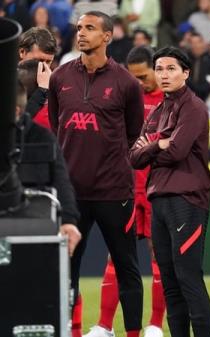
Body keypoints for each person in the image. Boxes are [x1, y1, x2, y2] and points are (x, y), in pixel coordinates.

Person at [47, 11, 145, 337]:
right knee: (67, 273)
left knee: (127, 267)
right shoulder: (60, 78)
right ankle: (70, 332)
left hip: (115, 191)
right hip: (72, 196)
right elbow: (55, 125)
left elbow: (132, 132)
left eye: (90, 28)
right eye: (79, 28)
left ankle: (133, 333)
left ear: (108, 36)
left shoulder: (127, 83)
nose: (82, 33)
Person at [129, 46, 210, 337]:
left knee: (187, 277)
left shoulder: (194, 107)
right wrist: (159, 144)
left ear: (186, 73)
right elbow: (134, 157)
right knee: (170, 282)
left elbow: (176, 151)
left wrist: (154, 146)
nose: (164, 75)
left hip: (187, 199)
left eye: (171, 69)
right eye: (160, 69)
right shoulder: (158, 110)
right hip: (160, 199)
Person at [85, 46, 166, 337]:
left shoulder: (171, 98)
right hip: (126, 186)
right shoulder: (122, 95)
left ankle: (155, 325)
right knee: (116, 255)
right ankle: (104, 325)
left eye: (143, 77)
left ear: (156, 70)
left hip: (158, 187)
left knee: (159, 254)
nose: (138, 83)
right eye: (134, 77)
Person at [15, 64, 81, 257]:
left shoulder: (41, 137)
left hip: (34, 221)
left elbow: (60, 179)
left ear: (16, 111)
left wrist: (69, 220)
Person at [17, 27, 57, 128]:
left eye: (48, 61)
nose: (44, 67)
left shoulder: (55, 85)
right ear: (22, 52)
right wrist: (42, 91)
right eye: (38, 60)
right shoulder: (5, 79)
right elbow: (18, 124)